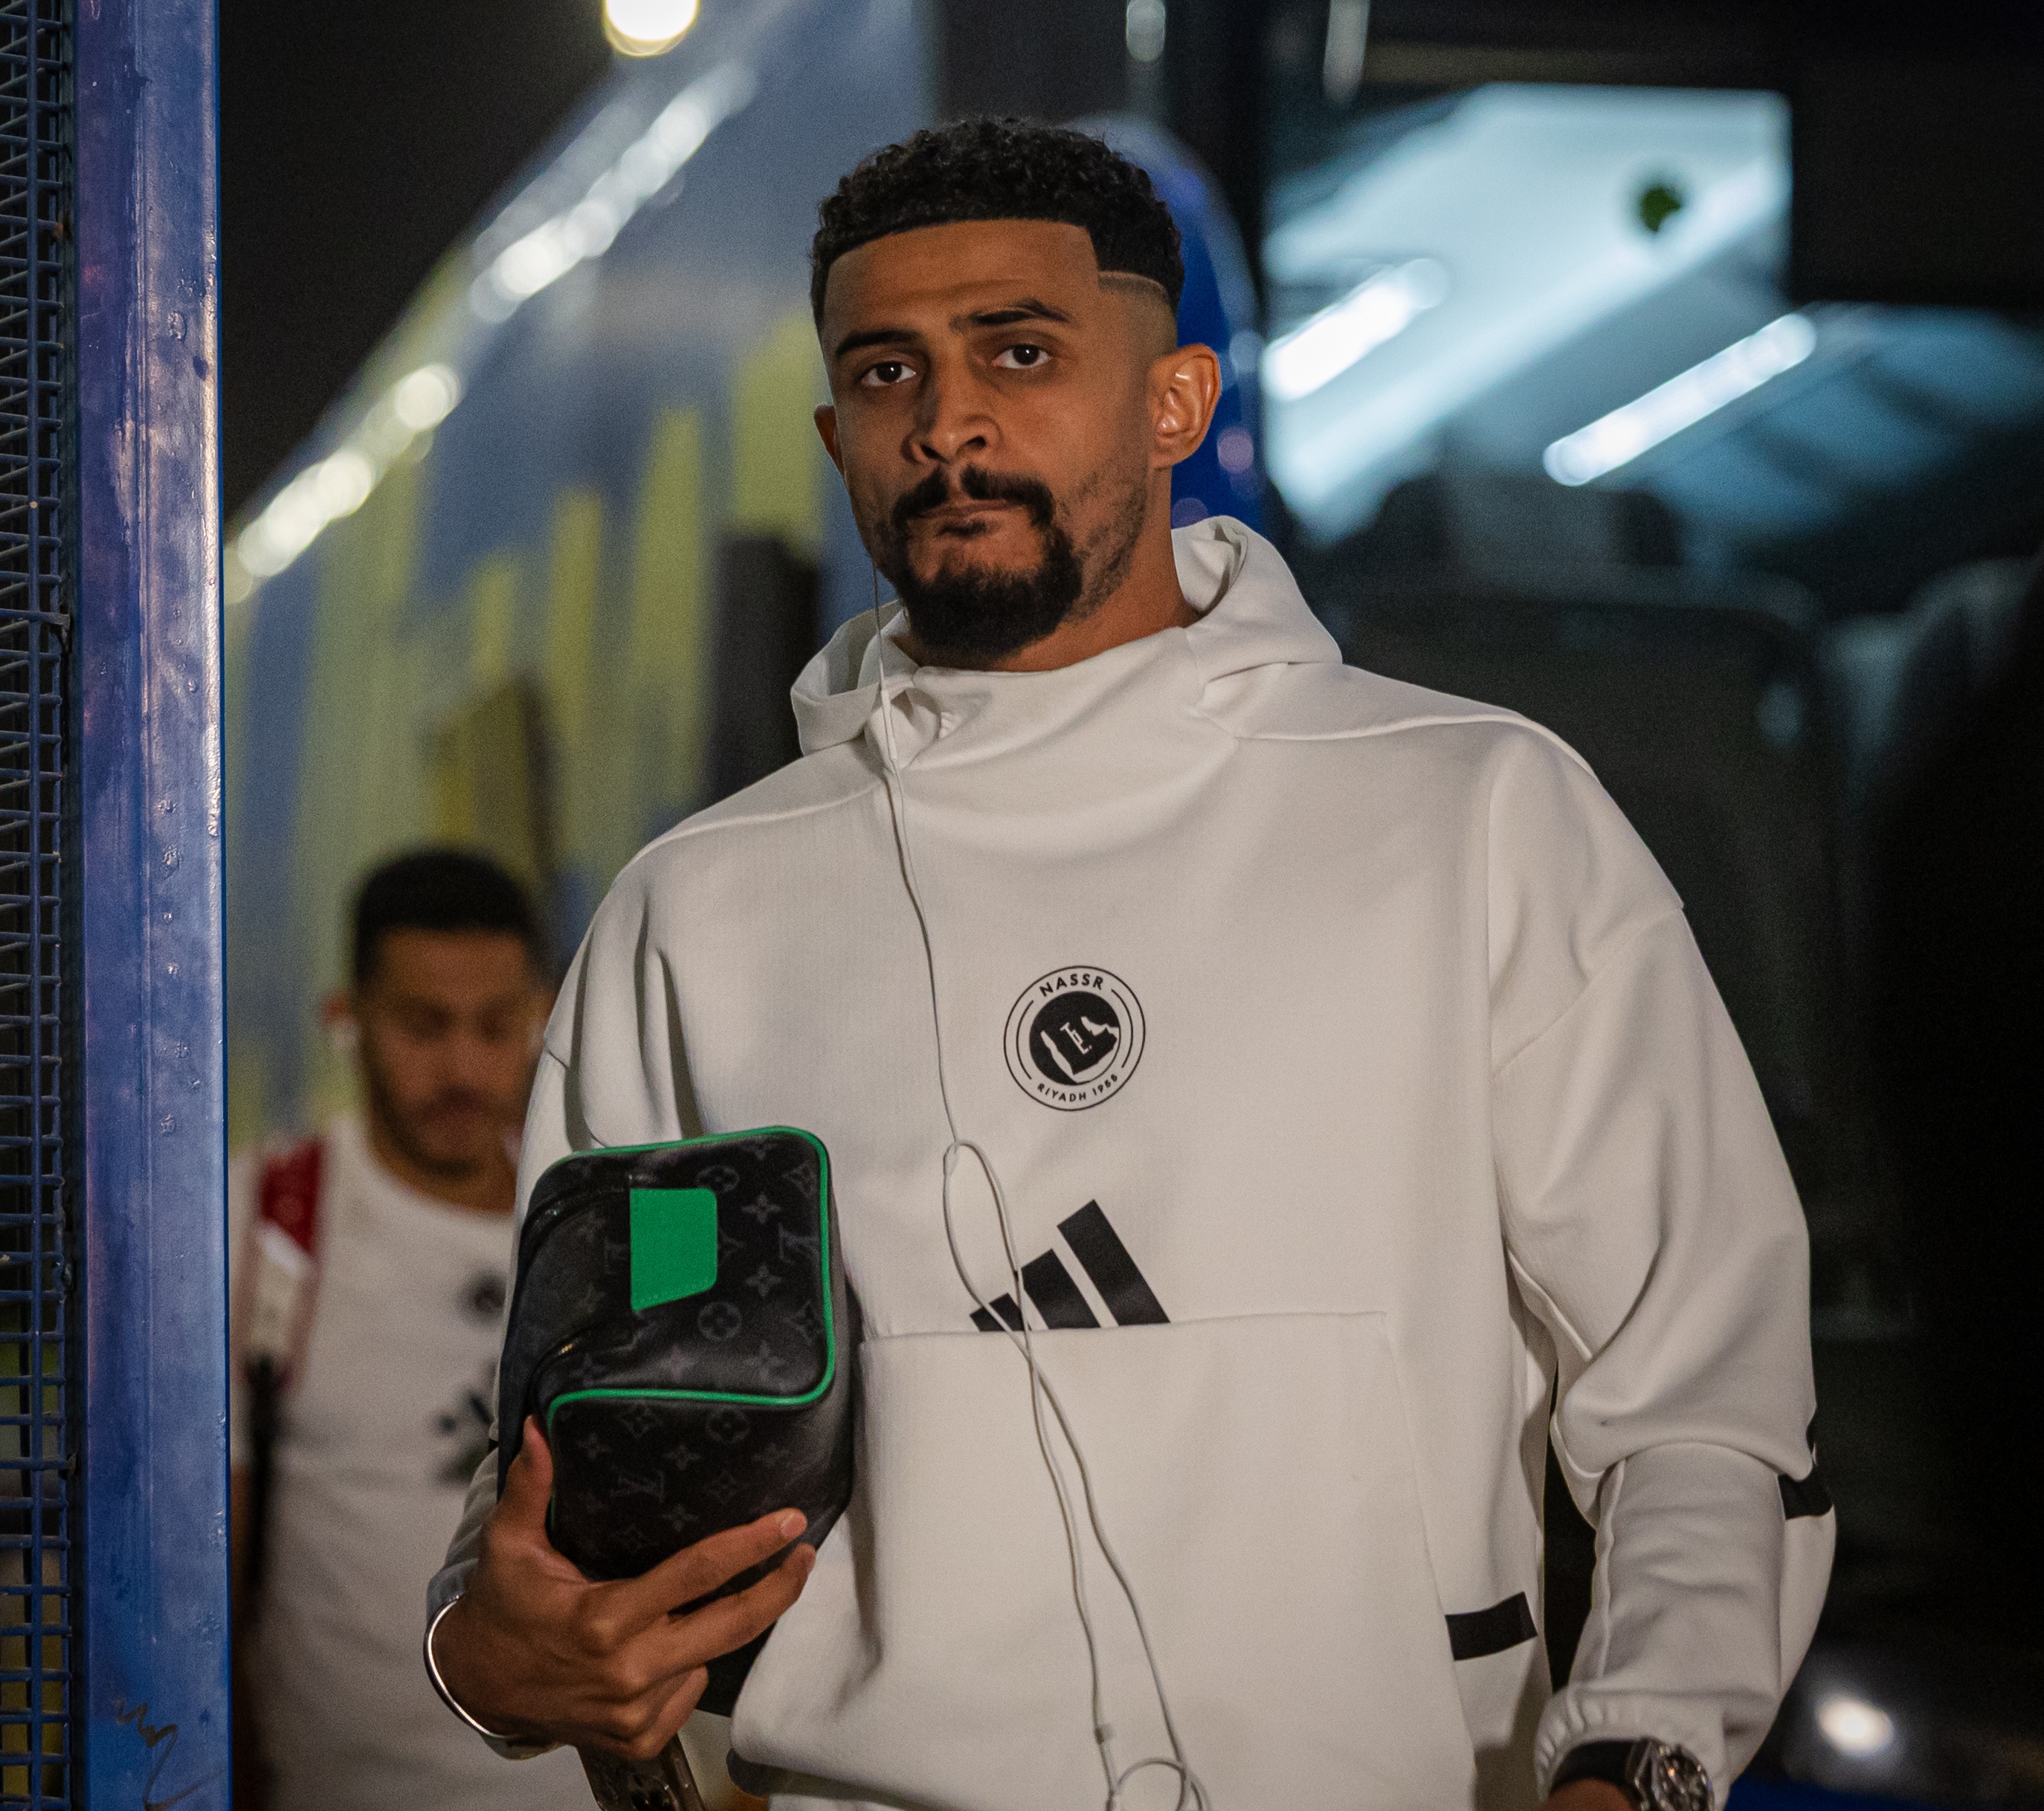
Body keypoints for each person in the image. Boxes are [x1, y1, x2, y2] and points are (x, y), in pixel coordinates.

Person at [428, 121, 1834, 1811]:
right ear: (834, 432)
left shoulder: (1467, 811)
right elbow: (585, 1429)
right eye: (886, 372)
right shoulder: (700, 915)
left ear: (1175, 403)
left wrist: (1638, 1755)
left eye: (1019, 353)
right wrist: (480, 1646)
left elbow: (1702, 1393)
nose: (947, 422)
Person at [230, 849, 591, 1811]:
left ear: (542, 1015)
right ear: (347, 1019)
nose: (463, 1067)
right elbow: (199, 1582)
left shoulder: (601, 1225)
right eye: (424, 1025)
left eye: (496, 1024)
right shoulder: (263, 1231)